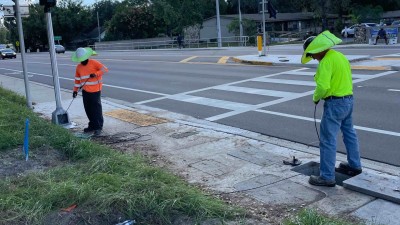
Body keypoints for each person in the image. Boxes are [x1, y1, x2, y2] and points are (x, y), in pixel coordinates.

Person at [301, 31, 362, 187]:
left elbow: (323, 86)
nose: (313, 57)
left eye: (312, 54)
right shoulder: (339, 56)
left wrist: (315, 98)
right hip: (348, 100)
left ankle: (327, 176)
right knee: (349, 134)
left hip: (335, 103)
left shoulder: (326, 62)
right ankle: (355, 165)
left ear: (318, 48)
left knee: (327, 140)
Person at [71, 47, 108, 135]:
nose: (82, 61)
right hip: (85, 91)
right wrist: (75, 90)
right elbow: (77, 80)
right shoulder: (79, 67)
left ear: (87, 57)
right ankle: (92, 125)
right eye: (81, 60)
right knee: (88, 109)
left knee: (96, 109)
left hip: (95, 90)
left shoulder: (94, 63)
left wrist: (95, 74)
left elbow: (104, 69)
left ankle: (98, 127)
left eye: (83, 59)